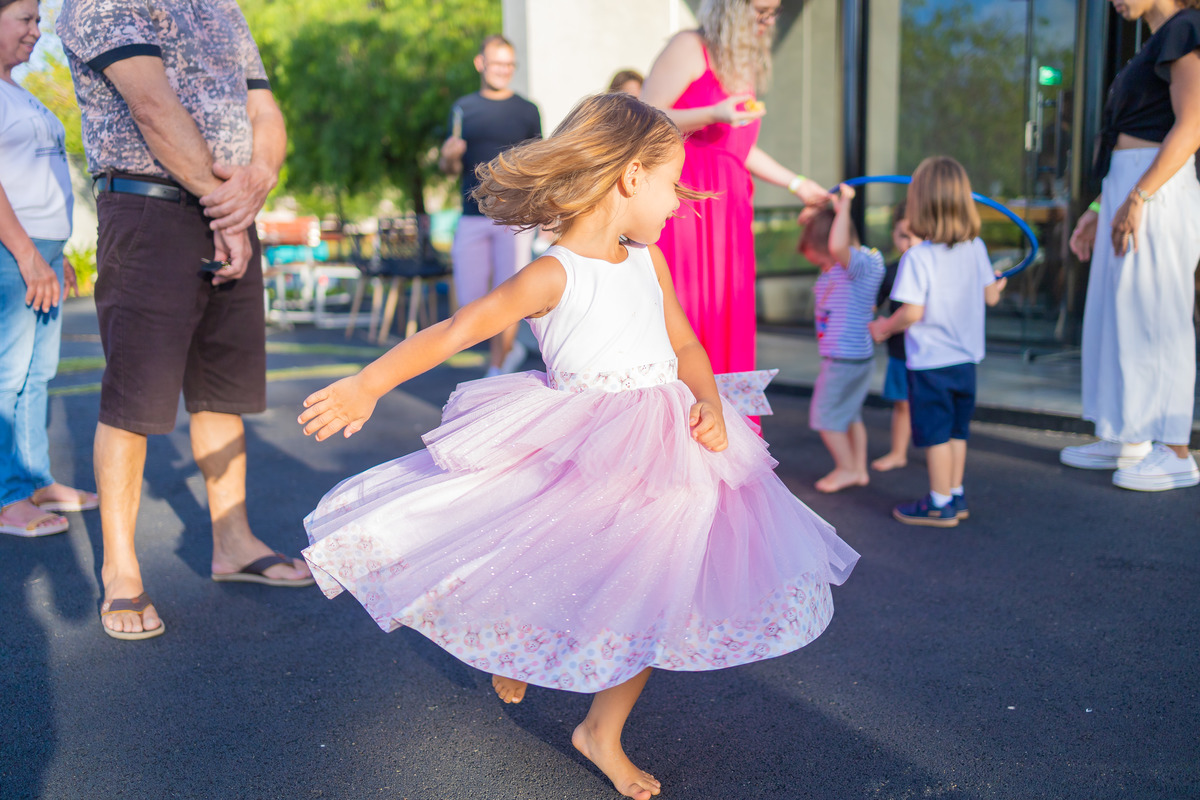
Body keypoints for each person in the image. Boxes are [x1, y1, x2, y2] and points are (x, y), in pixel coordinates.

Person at [298, 94, 858, 800]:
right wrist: (368, 384)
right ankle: (527, 647)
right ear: (629, 179)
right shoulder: (551, 274)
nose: (674, 204)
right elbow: (453, 333)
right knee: (560, 563)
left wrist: (711, 403)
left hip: (672, 450)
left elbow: (683, 341)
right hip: (589, 448)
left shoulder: (646, 259)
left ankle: (601, 728)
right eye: (668, 185)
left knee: (654, 591)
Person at [58, 0, 312, 640]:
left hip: (230, 208)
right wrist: (228, 204)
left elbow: (265, 110)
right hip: (148, 210)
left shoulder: (222, 7)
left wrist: (260, 177)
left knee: (221, 391)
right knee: (132, 400)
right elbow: (151, 106)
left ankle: (234, 544)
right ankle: (121, 571)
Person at [642, 0, 832, 378]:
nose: (768, 21)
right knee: (689, 305)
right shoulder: (689, 47)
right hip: (689, 202)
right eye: (760, 10)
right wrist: (714, 113)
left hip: (729, 208)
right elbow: (644, 114)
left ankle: (724, 419)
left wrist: (797, 183)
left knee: (726, 309)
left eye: (774, 12)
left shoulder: (740, 65)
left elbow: (737, 148)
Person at [1058, 0, 1200, 491]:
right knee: (1116, 316)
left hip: (1156, 189)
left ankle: (1176, 450)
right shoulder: (1155, 43)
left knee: (1156, 315)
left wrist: (1140, 195)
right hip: (1131, 185)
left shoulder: (1187, 30)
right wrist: (1100, 209)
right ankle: (1128, 435)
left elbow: (1192, 126)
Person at [0, 0, 98, 538]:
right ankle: (7, 497)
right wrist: (29, 253)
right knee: (7, 375)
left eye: (39, 20)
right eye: (25, 19)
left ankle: (34, 481)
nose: (38, 31)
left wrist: (57, 253)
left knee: (38, 374)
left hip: (43, 250)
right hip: (14, 250)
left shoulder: (21, 93)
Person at [868, 157, 1006, 528]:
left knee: (936, 435)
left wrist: (884, 326)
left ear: (919, 205)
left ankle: (939, 502)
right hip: (966, 361)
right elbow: (991, 297)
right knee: (957, 431)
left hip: (931, 362)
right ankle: (955, 493)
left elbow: (912, 312)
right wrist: (997, 283)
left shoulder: (918, 257)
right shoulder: (975, 247)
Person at [439, 35, 542, 377]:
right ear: (480, 63)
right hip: (472, 215)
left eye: (509, 64)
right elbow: (450, 169)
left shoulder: (527, 110)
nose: (503, 70)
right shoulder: (463, 108)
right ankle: (506, 352)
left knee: (510, 293)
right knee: (470, 298)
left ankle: (497, 367)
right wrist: (448, 159)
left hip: (514, 217)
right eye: (497, 63)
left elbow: (538, 165)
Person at [797, 184, 884, 493]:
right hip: (848, 357)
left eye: (822, 261)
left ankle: (846, 468)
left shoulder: (862, 264)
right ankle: (858, 469)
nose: (824, 268)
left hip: (845, 360)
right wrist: (818, 213)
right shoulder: (843, 269)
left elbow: (836, 248)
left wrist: (845, 206)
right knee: (849, 415)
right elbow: (832, 248)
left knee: (825, 416)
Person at [871, 201, 919, 473]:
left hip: (929, 352)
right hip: (901, 353)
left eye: (916, 236)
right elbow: (872, 305)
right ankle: (899, 452)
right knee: (902, 405)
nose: (910, 243)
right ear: (893, 235)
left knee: (931, 406)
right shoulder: (891, 271)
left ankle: (940, 449)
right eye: (903, 236)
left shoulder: (930, 267)